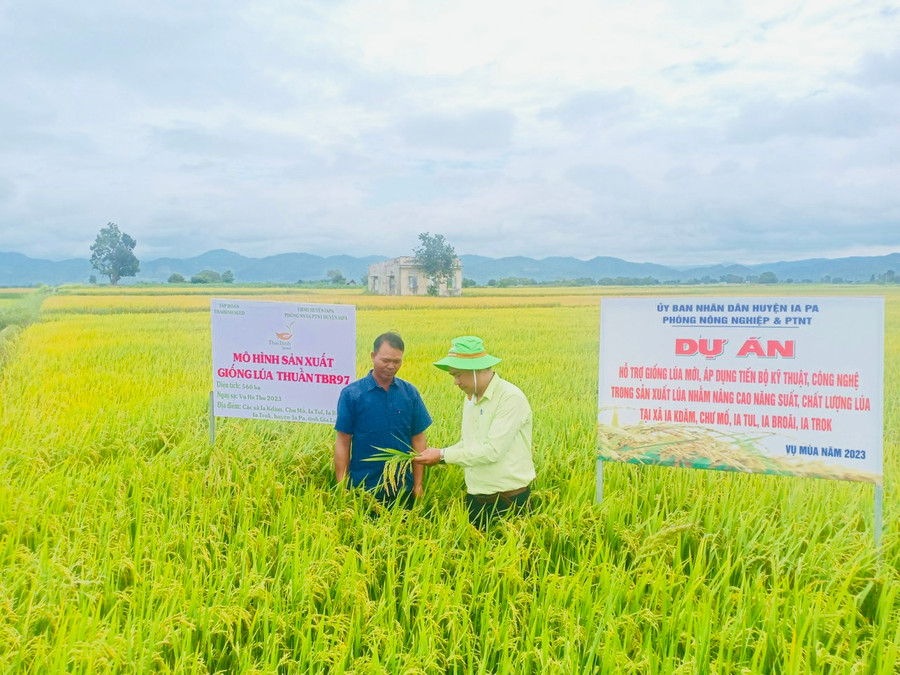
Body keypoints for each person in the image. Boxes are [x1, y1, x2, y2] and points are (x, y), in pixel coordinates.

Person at [414, 335, 535, 526]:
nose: (455, 382)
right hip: (476, 498)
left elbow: (492, 451)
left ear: (476, 369)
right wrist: (440, 453)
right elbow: (469, 443)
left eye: (458, 375)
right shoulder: (470, 399)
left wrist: (443, 456)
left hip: (508, 500)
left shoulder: (510, 398)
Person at [334, 332, 432, 508]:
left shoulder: (409, 393)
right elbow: (343, 442)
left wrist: (418, 485)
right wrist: (342, 486)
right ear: (373, 356)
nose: (391, 366)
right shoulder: (352, 394)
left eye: (397, 361)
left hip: (402, 489)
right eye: (385, 360)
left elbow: (418, 439)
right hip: (362, 489)